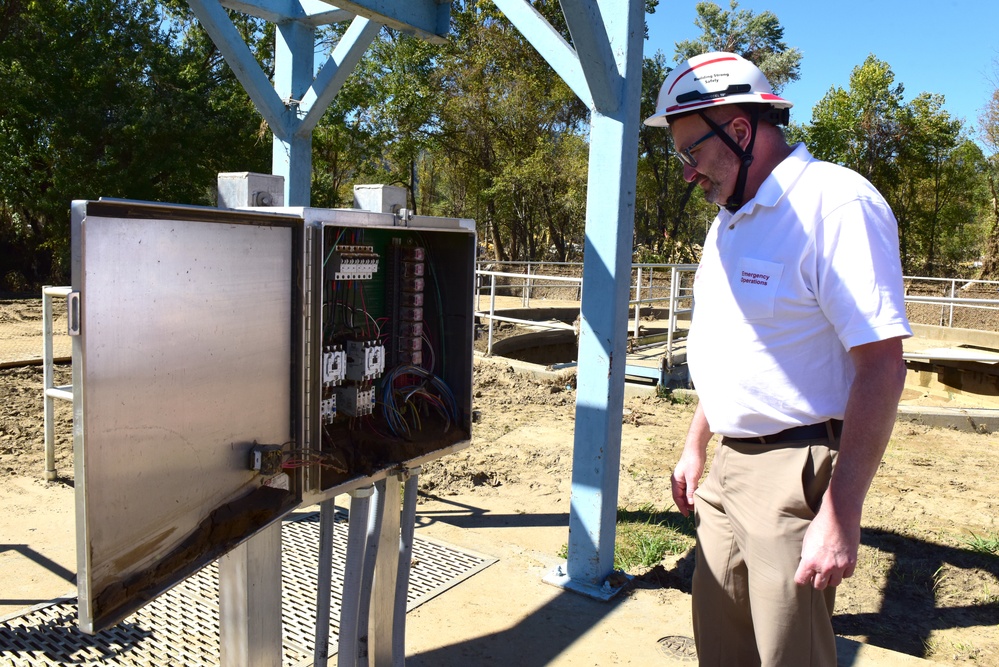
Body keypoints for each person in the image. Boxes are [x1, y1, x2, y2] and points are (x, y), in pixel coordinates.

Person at [643, 52, 912, 666]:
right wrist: (696, 444)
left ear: (740, 132)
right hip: (727, 473)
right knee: (723, 651)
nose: (687, 172)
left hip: (795, 472)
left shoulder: (835, 206)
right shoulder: (730, 222)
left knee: (791, 656)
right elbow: (734, 347)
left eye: (692, 153)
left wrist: (841, 513)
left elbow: (882, 366)